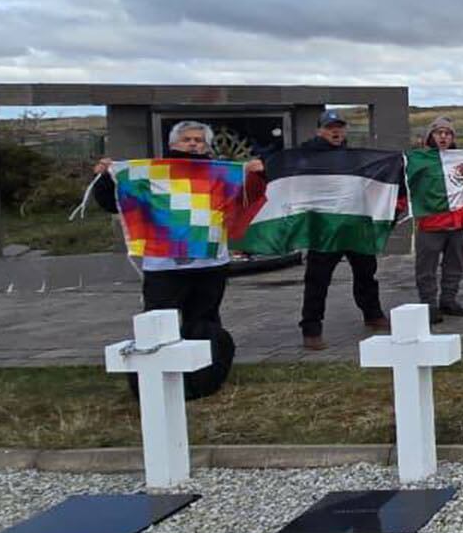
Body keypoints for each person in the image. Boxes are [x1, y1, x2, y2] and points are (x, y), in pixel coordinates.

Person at [89, 121, 259, 399]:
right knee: (157, 322)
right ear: (172, 145)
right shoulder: (151, 174)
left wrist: (254, 175)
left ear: (207, 146)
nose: (193, 144)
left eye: (199, 140)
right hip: (164, 266)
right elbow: (115, 202)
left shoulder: (221, 174)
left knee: (204, 321)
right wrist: (109, 178)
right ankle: (154, 381)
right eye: (187, 140)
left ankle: (204, 378)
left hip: (209, 265)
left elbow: (248, 200)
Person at [298, 109, 388, 350]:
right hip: (324, 227)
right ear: (319, 131)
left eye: (339, 127)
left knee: (366, 273)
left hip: (354, 224)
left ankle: (373, 314)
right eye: (329, 127)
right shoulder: (306, 156)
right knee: (317, 279)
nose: (335, 131)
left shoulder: (353, 156)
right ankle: (311, 328)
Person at [412, 116, 463, 324]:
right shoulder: (418, 160)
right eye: (439, 132)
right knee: (426, 267)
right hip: (431, 223)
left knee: (455, 264)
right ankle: (428, 304)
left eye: (448, 133)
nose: (443, 136)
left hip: (459, 222)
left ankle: (449, 299)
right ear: (430, 136)